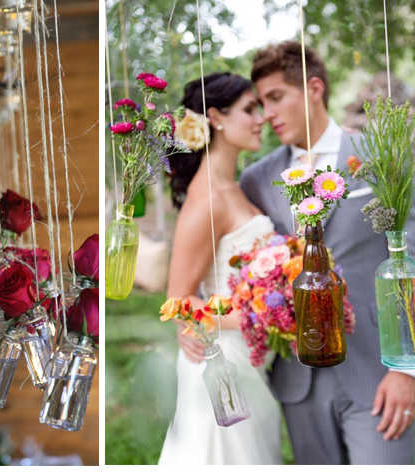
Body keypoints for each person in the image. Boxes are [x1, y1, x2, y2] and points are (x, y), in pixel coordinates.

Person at [239, 40, 415, 464]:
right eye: (261, 103)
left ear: (314, 88)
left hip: (378, 369)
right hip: (300, 380)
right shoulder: (257, 180)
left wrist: (408, 368)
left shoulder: (382, 155)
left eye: (277, 97)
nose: (268, 114)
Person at [158, 72, 282, 465]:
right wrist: (260, 315)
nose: (260, 118)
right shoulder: (208, 198)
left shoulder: (235, 188)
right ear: (216, 117)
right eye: (250, 110)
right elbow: (178, 300)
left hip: (250, 359)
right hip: (221, 364)